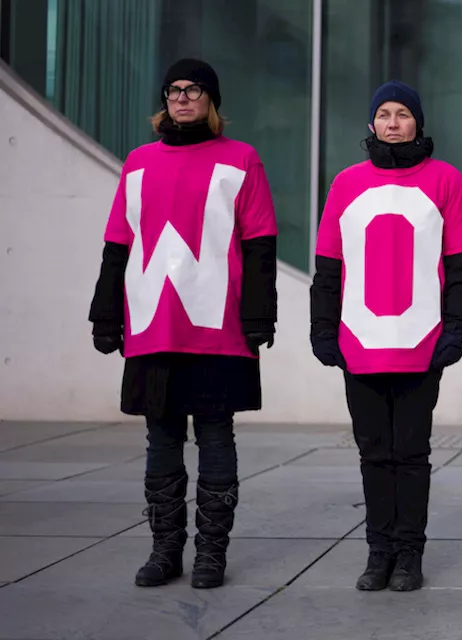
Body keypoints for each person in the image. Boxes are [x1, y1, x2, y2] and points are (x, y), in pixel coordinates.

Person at [88, 58, 278, 589]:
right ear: (164, 99)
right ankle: (164, 551)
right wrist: (106, 314)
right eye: (173, 90)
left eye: (194, 90)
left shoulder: (241, 159)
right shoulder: (139, 162)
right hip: (153, 322)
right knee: (161, 439)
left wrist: (260, 313)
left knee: (217, 437)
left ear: (211, 100)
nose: (182, 97)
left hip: (217, 325)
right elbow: (117, 246)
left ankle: (211, 555)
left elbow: (261, 244)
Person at [310, 80, 462, 592]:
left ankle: (409, 554)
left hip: (420, 345)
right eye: (383, 113)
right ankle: (377, 552)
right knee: (372, 452)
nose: (392, 122)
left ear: (418, 123)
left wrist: (456, 331)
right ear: (371, 124)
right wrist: (323, 329)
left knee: (410, 452)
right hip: (359, 343)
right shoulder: (345, 183)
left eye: (402, 113)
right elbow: (327, 267)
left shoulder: (446, 180)